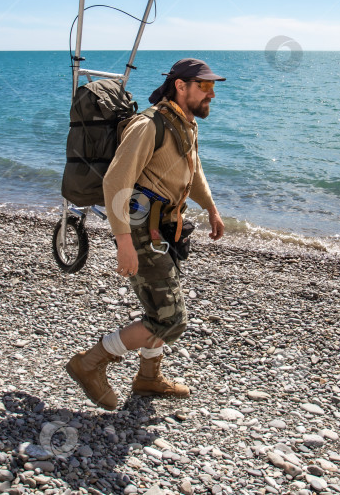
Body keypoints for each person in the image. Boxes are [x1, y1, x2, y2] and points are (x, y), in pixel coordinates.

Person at [66, 58, 225, 410]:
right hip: (140, 230)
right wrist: (124, 242)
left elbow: (193, 172)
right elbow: (115, 182)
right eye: (205, 87)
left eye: (213, 88)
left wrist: (211, 208)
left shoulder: (184, 123)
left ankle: (149, 377)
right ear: (180, 86)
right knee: (170, 319)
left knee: (156, 306)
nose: (211, 94)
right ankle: (90, 362)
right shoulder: (148, 125)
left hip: (166, 228)